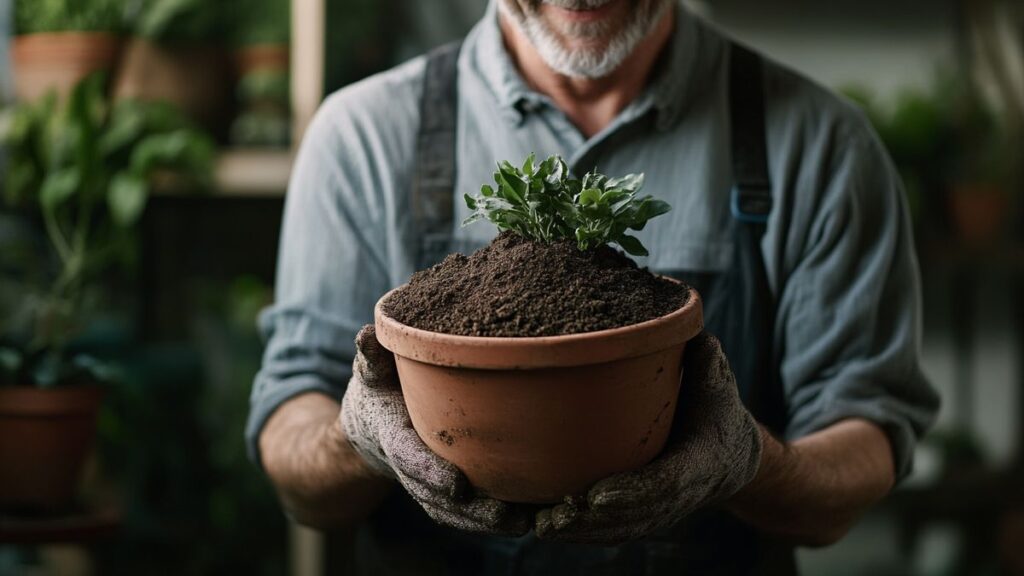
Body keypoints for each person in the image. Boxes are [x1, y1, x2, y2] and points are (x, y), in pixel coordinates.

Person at [246, 0, 941, 573]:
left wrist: (744, 463)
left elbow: (862, 446)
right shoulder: (363, 138)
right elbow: (292, 455)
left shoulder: (820, 147)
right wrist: (357, 438)